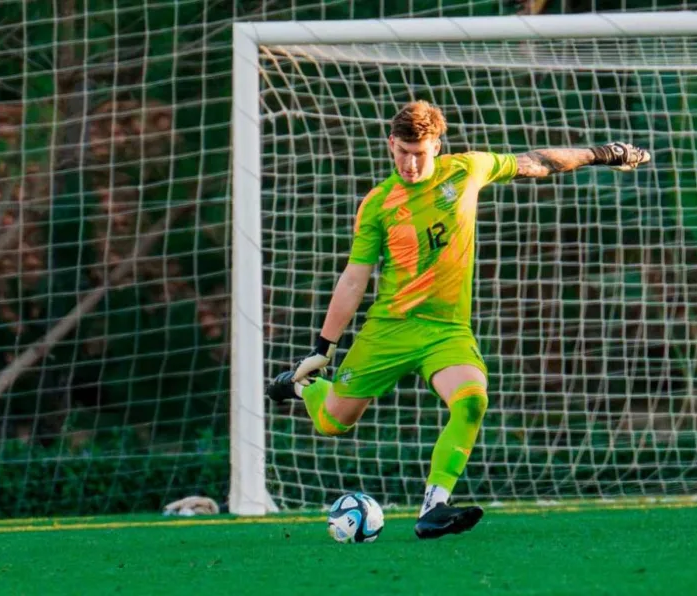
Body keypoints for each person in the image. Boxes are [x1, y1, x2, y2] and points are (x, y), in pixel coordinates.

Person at [267, 100, 651, 539]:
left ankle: (435, 506)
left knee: (472, 399)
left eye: (421, 153)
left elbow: (538, 163)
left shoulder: (466, 170)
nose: (411, 163)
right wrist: (323, 349)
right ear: (391, 145)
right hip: (388, 329)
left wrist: (603, 154)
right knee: (334, 422)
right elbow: (354, 279)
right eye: (403, 152)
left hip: (446, 330)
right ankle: (303, 386)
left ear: (438, 145)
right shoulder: (378, 205)